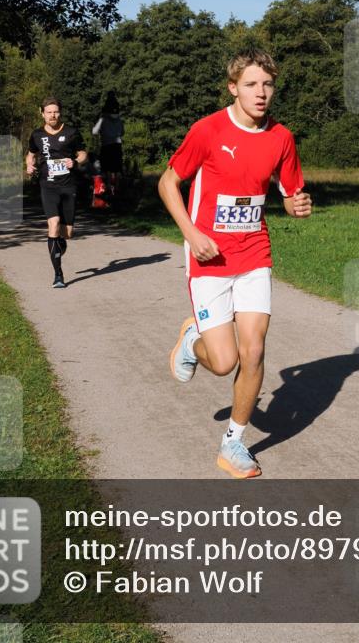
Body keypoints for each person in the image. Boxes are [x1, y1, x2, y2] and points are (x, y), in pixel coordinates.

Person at [158, 49, 312, 479]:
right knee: (224, 362)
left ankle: (233, 443)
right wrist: (191, 234)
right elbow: (168, 183)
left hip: (254, 253)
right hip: (209, 255)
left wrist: (298, 205)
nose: (261, 93)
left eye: (268, 84)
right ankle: (192, 341)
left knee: (254, 349)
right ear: (233, 88)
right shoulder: (207, 130)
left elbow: (290, 193)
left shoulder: (281, 137)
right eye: (251, 84)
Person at [26, 98, 88, 289]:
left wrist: (75, 162)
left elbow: (83, 154)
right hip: (48, 186)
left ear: (60, 113)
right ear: (42, 113)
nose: (53, 115)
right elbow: (31, 154)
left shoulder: (71, 132)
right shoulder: (37, 135)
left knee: (66, 233)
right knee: (53, 224)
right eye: (49, 112)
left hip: (68, 186)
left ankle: (60, 243)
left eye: (56, 112)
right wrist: (29, 165)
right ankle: (58, 275)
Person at [92, 93, 124, 203]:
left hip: (106, 145)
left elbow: (94, 131)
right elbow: (122, 132)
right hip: (117, 145)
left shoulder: (103, 119)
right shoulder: (119, 119)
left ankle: (109, 191)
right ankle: (117, 191)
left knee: (107, 169)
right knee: (117, 169)